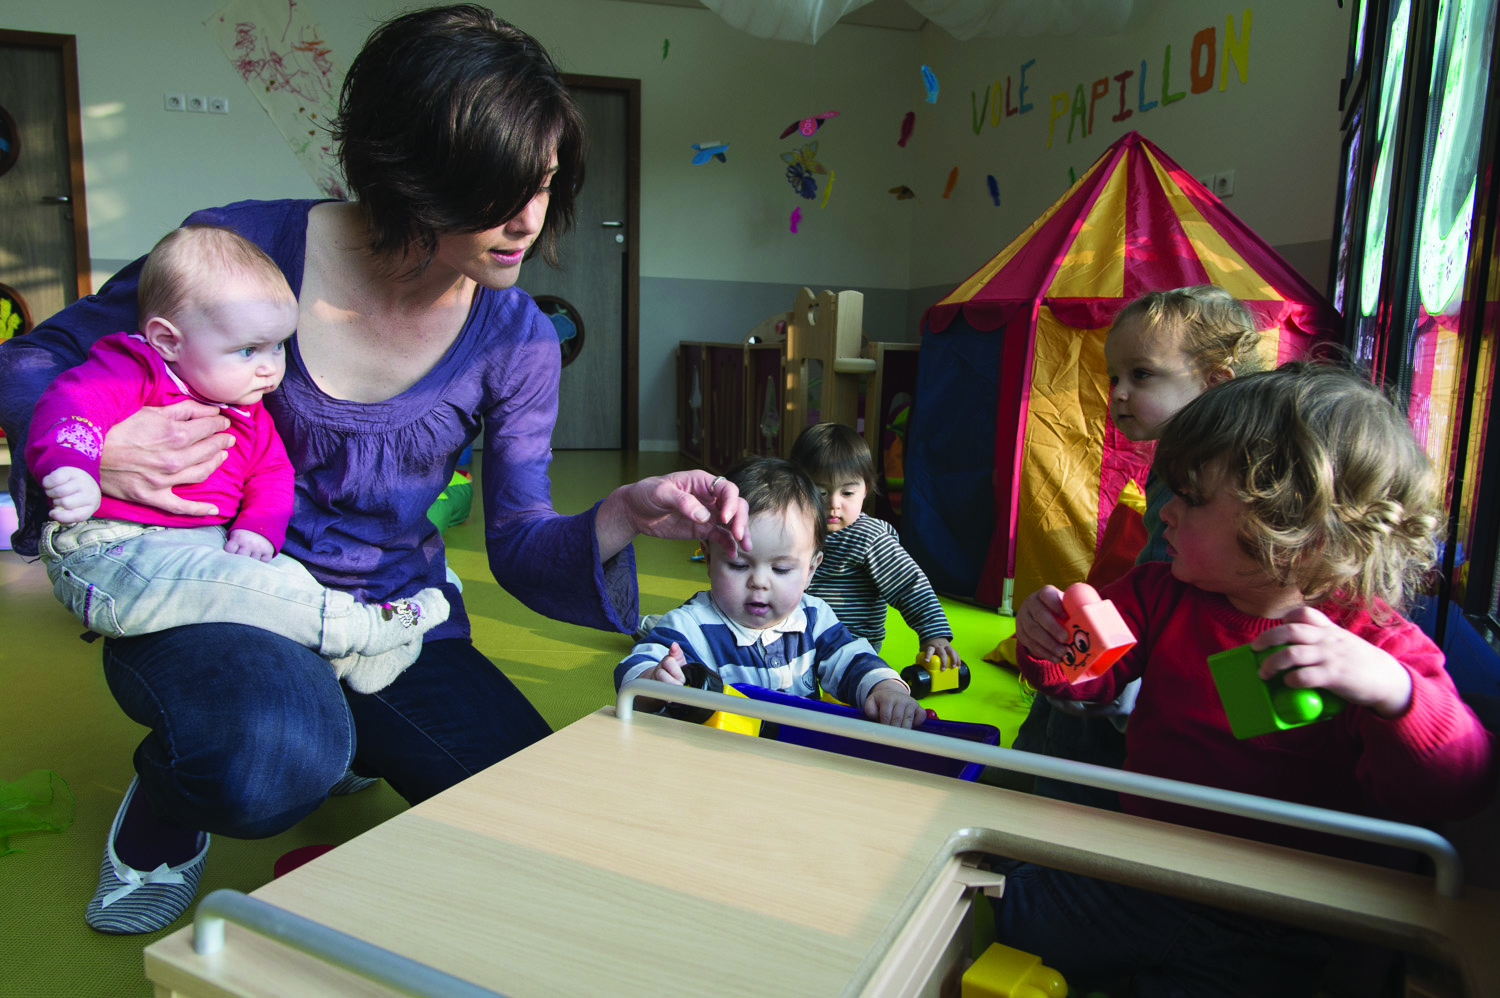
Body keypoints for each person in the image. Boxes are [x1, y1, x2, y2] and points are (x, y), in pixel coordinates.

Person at [0, 4, 747, 936]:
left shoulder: (515, 337)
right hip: (223, 584)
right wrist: (94, 444)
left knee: (535, 813)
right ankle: (170, 803)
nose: (527, 221)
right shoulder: (240, 252)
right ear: (408, 172)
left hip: (386, 613)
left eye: (545, 185)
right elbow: (34, 360)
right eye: (496, 187)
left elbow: (516, 541)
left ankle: (343, 720)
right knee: (269, 760)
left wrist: (625, 513)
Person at [998, 362, 1495, 996]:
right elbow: (1084, 680)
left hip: (1283, 916)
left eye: (1192, 499)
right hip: (1140, 869)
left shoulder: (1379, 645)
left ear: (1296, 535)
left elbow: (1460, 785)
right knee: (998, 907)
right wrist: (1048, 644)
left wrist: (1396, 695)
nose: (1165, 513)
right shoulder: (1162, 591)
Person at [28, 225, 450, 692]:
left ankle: (356, 658)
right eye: (247, 350)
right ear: (168, 341)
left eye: (278, 346)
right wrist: (74, 468)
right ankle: (362, 630)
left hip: (208, 542)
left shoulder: (248, 410)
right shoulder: (135, 368)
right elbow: (73, 405)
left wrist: (258, 528)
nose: (270, 366)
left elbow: (272, 473)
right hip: (115, 551)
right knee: (237, 586)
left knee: (286, 580)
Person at [1012, 284, 1263, 809]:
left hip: (1184, 665)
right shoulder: (1174, 462)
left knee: (1080, 753)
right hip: (1161, 654)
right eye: (1114, 377)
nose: (1118, 392)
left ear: (1216, 383)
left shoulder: (1217, 473)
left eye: (1141, 374)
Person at [616, 457, 926, 729]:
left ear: (811, 570)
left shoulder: (814, 618)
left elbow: (852, 659)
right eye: (739, 565)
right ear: (709, 560)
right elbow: (632, 675)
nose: (760, 583)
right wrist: (655, 680)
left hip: (797, 761)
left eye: (781, 570)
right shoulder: (692, 626)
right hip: (712, 765)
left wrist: (886, 689)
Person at [788, 421, 960, 670]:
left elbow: (908, 584)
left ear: (865, 489)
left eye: (847, 493)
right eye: (821, 493)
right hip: (796, 637)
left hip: (849, 642)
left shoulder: (868, 537)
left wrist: (933, 633)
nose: (834, 504)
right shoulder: (793, 528)